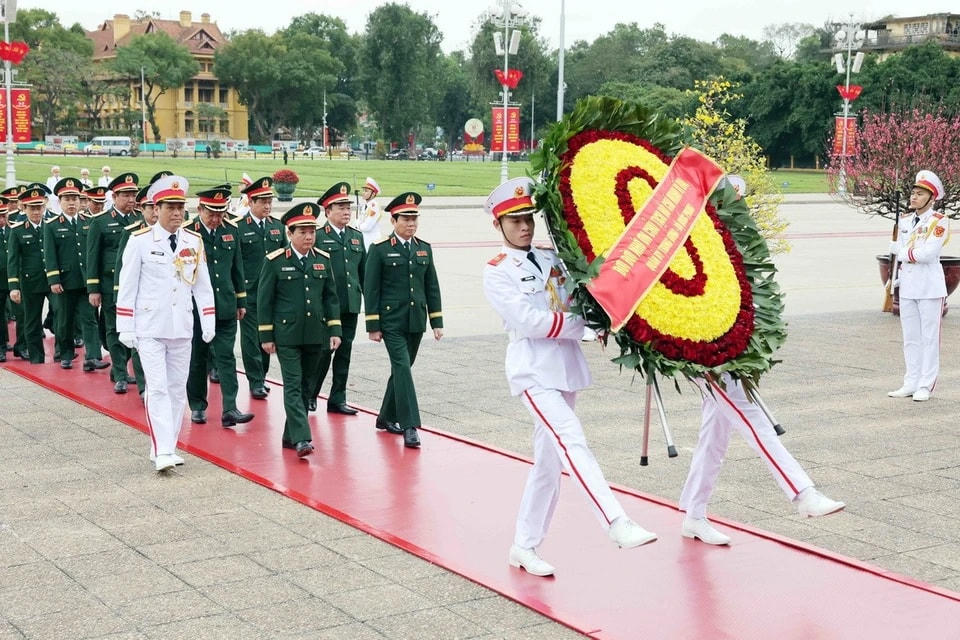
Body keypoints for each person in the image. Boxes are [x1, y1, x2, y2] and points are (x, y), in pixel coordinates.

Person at [481, 177, 657, 577]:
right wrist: (581, 326)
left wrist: (605, 319)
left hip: (565, 369)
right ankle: (615, 521)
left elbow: (583, 299)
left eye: (528, 219)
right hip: (532, 371)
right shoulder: (497, 271)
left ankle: (524, 546)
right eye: (515, 221)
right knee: (571, 439)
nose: (525, 227)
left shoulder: (552, 258)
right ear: (498, 226)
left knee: (547, 465)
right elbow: (528, 322)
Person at [116, 175, 215, 472]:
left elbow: (202, 285)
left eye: (180, 207)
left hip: (181, 327)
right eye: (169, 207)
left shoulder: (193, 241)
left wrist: (207, 319)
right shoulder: (140, 241)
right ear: (155, 209)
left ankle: (166, 445)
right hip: (150, 328)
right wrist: (126, 326)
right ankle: (162, 451)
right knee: (157, 388)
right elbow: (127, 285)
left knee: (176, 389)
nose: (175, 213)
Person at [679, 373, 846, 544]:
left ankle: (694, 513)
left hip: (715, 356)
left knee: (714, 434)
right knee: (754, 421)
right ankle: (803, 493)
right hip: (704, 359)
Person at [258, 203, 342, 457]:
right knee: (293, 384)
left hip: (315, 335)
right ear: (289, 233)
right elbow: (265, 300)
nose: (308, 237)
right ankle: (303, 439)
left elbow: (331, 298)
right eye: (303, 232)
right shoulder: (274, 262)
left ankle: (289, 435)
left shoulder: (322, 260)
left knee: (307, 386)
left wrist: (335, 329)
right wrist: (266, 336)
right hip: (287, 336)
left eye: (311, 232)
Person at [363, 192, 443, 449]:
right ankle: (410, 425)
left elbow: (432, 286)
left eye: (414, 220)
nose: (411, 225)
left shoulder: (423, 248)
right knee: (403, 368)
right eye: (406, 220)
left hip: (416, 320)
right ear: (393, 221)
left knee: (402, 368)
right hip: (391, 321)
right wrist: (373, 325)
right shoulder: (380, 249)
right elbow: (371, 288)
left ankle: (385, 417)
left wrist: (436, 321)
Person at [184, 185, 254, 427]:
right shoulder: (186, 233)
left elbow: (238, 269)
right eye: (211, 213)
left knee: (226, 357)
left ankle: (230, 408)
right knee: (197, 358)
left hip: (224, 304)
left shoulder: (231, 231)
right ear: (200, 209)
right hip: (195, 309)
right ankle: (197, 405)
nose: (216, 219)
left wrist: (241, 300)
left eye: (220, 213)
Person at [887, 170, 950, 402]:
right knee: (910, 337)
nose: (914, 197)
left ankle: (926, 385)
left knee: (930, 338)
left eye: (920, 193)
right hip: (909, 286)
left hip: (930, 287)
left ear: (931, 198)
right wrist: (896, 275)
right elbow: (902, 256)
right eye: (913, 193)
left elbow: (927, 253)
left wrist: (900, 252)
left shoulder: (939, 221)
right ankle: (910, 381)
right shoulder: (904, 220)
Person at [310, 182, 365, 414]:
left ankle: (337, 398)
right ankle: (311, 393)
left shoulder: (356, 237)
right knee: (323, 352)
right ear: (327, 211)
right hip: (326, 308)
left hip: (350, 304)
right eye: (340, 207)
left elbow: (364, 273)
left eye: (348, 207)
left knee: (345, 353)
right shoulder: (319, 237)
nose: (345, 212)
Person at [87, 172, 140, 393]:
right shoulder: (100, 222)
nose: (131, 200)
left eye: (133, 195)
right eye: (126, 195)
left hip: (134, 286)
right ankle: (120, 374)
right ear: (115, 196)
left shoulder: (139, 219)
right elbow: (93, 257)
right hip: (110, 286)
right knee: (113, 328)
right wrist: (93, 288)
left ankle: (118, 366)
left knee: (132, 329)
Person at [236, 177, 286, 399]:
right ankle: (255, 380)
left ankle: (262, 376)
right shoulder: (239, 227)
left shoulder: (277, 227)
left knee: (267, 335)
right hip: (249, 292)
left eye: (269, 201)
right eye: (262, 202)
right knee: (250, 339)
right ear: (250, 201)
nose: (267, 206)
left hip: (272, 294)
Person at [43, 178, 92, 369]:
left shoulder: (88, 222)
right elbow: (50, 255)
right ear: (60, 201)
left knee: (89, 319)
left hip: (85, 279)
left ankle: (93, 356)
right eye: (67, 199)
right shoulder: (52, 224)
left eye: (75, 199)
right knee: (64, 320)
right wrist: (54, 279)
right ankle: (65, 353)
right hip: (64, 280)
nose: (72, 203)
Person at [7, 186, 49, 363]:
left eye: (39, 207)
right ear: (24, 208)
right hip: (30, 281)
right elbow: (13, 261)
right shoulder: (17, 230)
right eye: (32, 208)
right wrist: (14, 287)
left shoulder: (50, 226)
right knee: (31, 320)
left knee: (61, 315)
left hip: (53, 280)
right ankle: (36, 356)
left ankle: (63, 353)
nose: (36, 211)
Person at [354, 176, 383, 249]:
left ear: (373, 194)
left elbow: (367, 227)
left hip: (372, 241)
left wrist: (358, 226)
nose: (363, 193)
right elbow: (359, 220)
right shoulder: (365, 206)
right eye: (363, 190)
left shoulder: (374, 207)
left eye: (366, 191)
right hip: (365, 240)